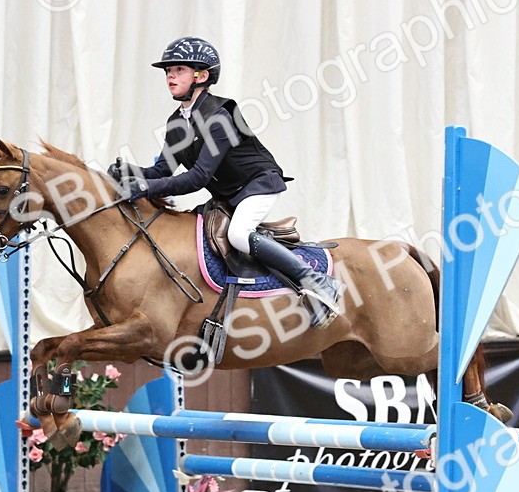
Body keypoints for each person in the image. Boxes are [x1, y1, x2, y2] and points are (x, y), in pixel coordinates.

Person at [108, 36, 343, 329]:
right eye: (167, 70)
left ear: (201, 76)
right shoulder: (177, 122)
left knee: (239, 235)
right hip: (229, 194)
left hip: (259, 185)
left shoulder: (220, 116)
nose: (169, 75)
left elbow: (198, 178)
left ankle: (317, 280)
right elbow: (162, 170)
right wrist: (131, 172)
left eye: (178, 69)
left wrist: (144, 188)